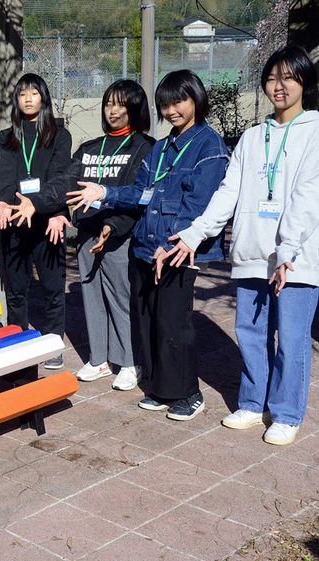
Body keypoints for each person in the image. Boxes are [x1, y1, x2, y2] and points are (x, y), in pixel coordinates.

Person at [166, 46, 319, 443]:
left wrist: (287, 251)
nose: (279, 86)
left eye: (288, 77)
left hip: (297, 258)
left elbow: (308, 196)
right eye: (272, 78)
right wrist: (194, 234)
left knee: (292, 338)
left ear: (304, 82)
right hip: (253, 252)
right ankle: (253, 403)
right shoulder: (253, 137)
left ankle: (287, 413)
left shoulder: (315, 131)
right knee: (250, 334)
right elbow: (227, 192)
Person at [68, 70, 230, 421]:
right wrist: (105, 192)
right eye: (165, 104)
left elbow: (197, 204)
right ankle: (159, 387)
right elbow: (141, 193)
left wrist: (169, 243)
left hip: (175, 249)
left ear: (195, 100)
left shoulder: (208, 145)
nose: (172, 110)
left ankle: (188, 391)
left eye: (179, 102)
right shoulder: (162, 146)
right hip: (144, 247)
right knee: (149, 322)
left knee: (174, 325)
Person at [13, 81, 155, 389]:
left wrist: (113, 226)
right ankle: (99, 359)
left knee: (121, 298)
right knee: (92, 297)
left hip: (120, 236)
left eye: (120, 104)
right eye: (108, 104)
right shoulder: (91, 148)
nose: (113, 110)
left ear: (135, 108)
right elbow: (64, 183)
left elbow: (138, 194)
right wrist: (38, 204)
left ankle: (131, 361)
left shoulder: (144, 146)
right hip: (88, 234)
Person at [0, 73, 73, 369]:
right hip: (15, 222)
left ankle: (53, 342)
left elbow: (61, 176)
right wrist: (3, 202)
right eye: (22, 94)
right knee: (16, 289)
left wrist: (54, 211)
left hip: (47, 220)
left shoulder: (59, 135)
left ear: (44, 98)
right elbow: (4, 175)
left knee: (53, 288)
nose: (28, 99)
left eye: (34, 93)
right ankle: (18, 339)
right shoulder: (6, 137)